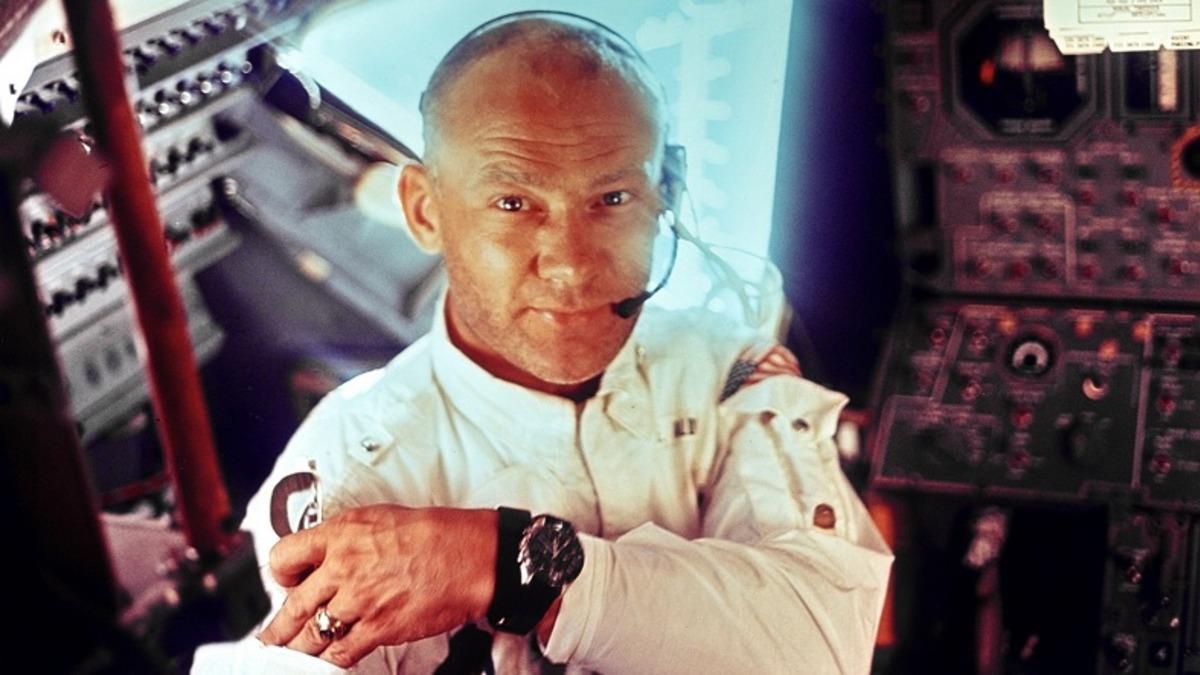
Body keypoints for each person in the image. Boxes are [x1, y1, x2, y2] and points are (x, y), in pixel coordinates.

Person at [194, 11, 892, 674]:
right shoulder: (352, 461)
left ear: (666, 193)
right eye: (513, 203)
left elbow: (822, 647)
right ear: (425, 211)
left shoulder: (729, 371)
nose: (571, 263)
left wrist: (503, 565)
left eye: (612, 198)